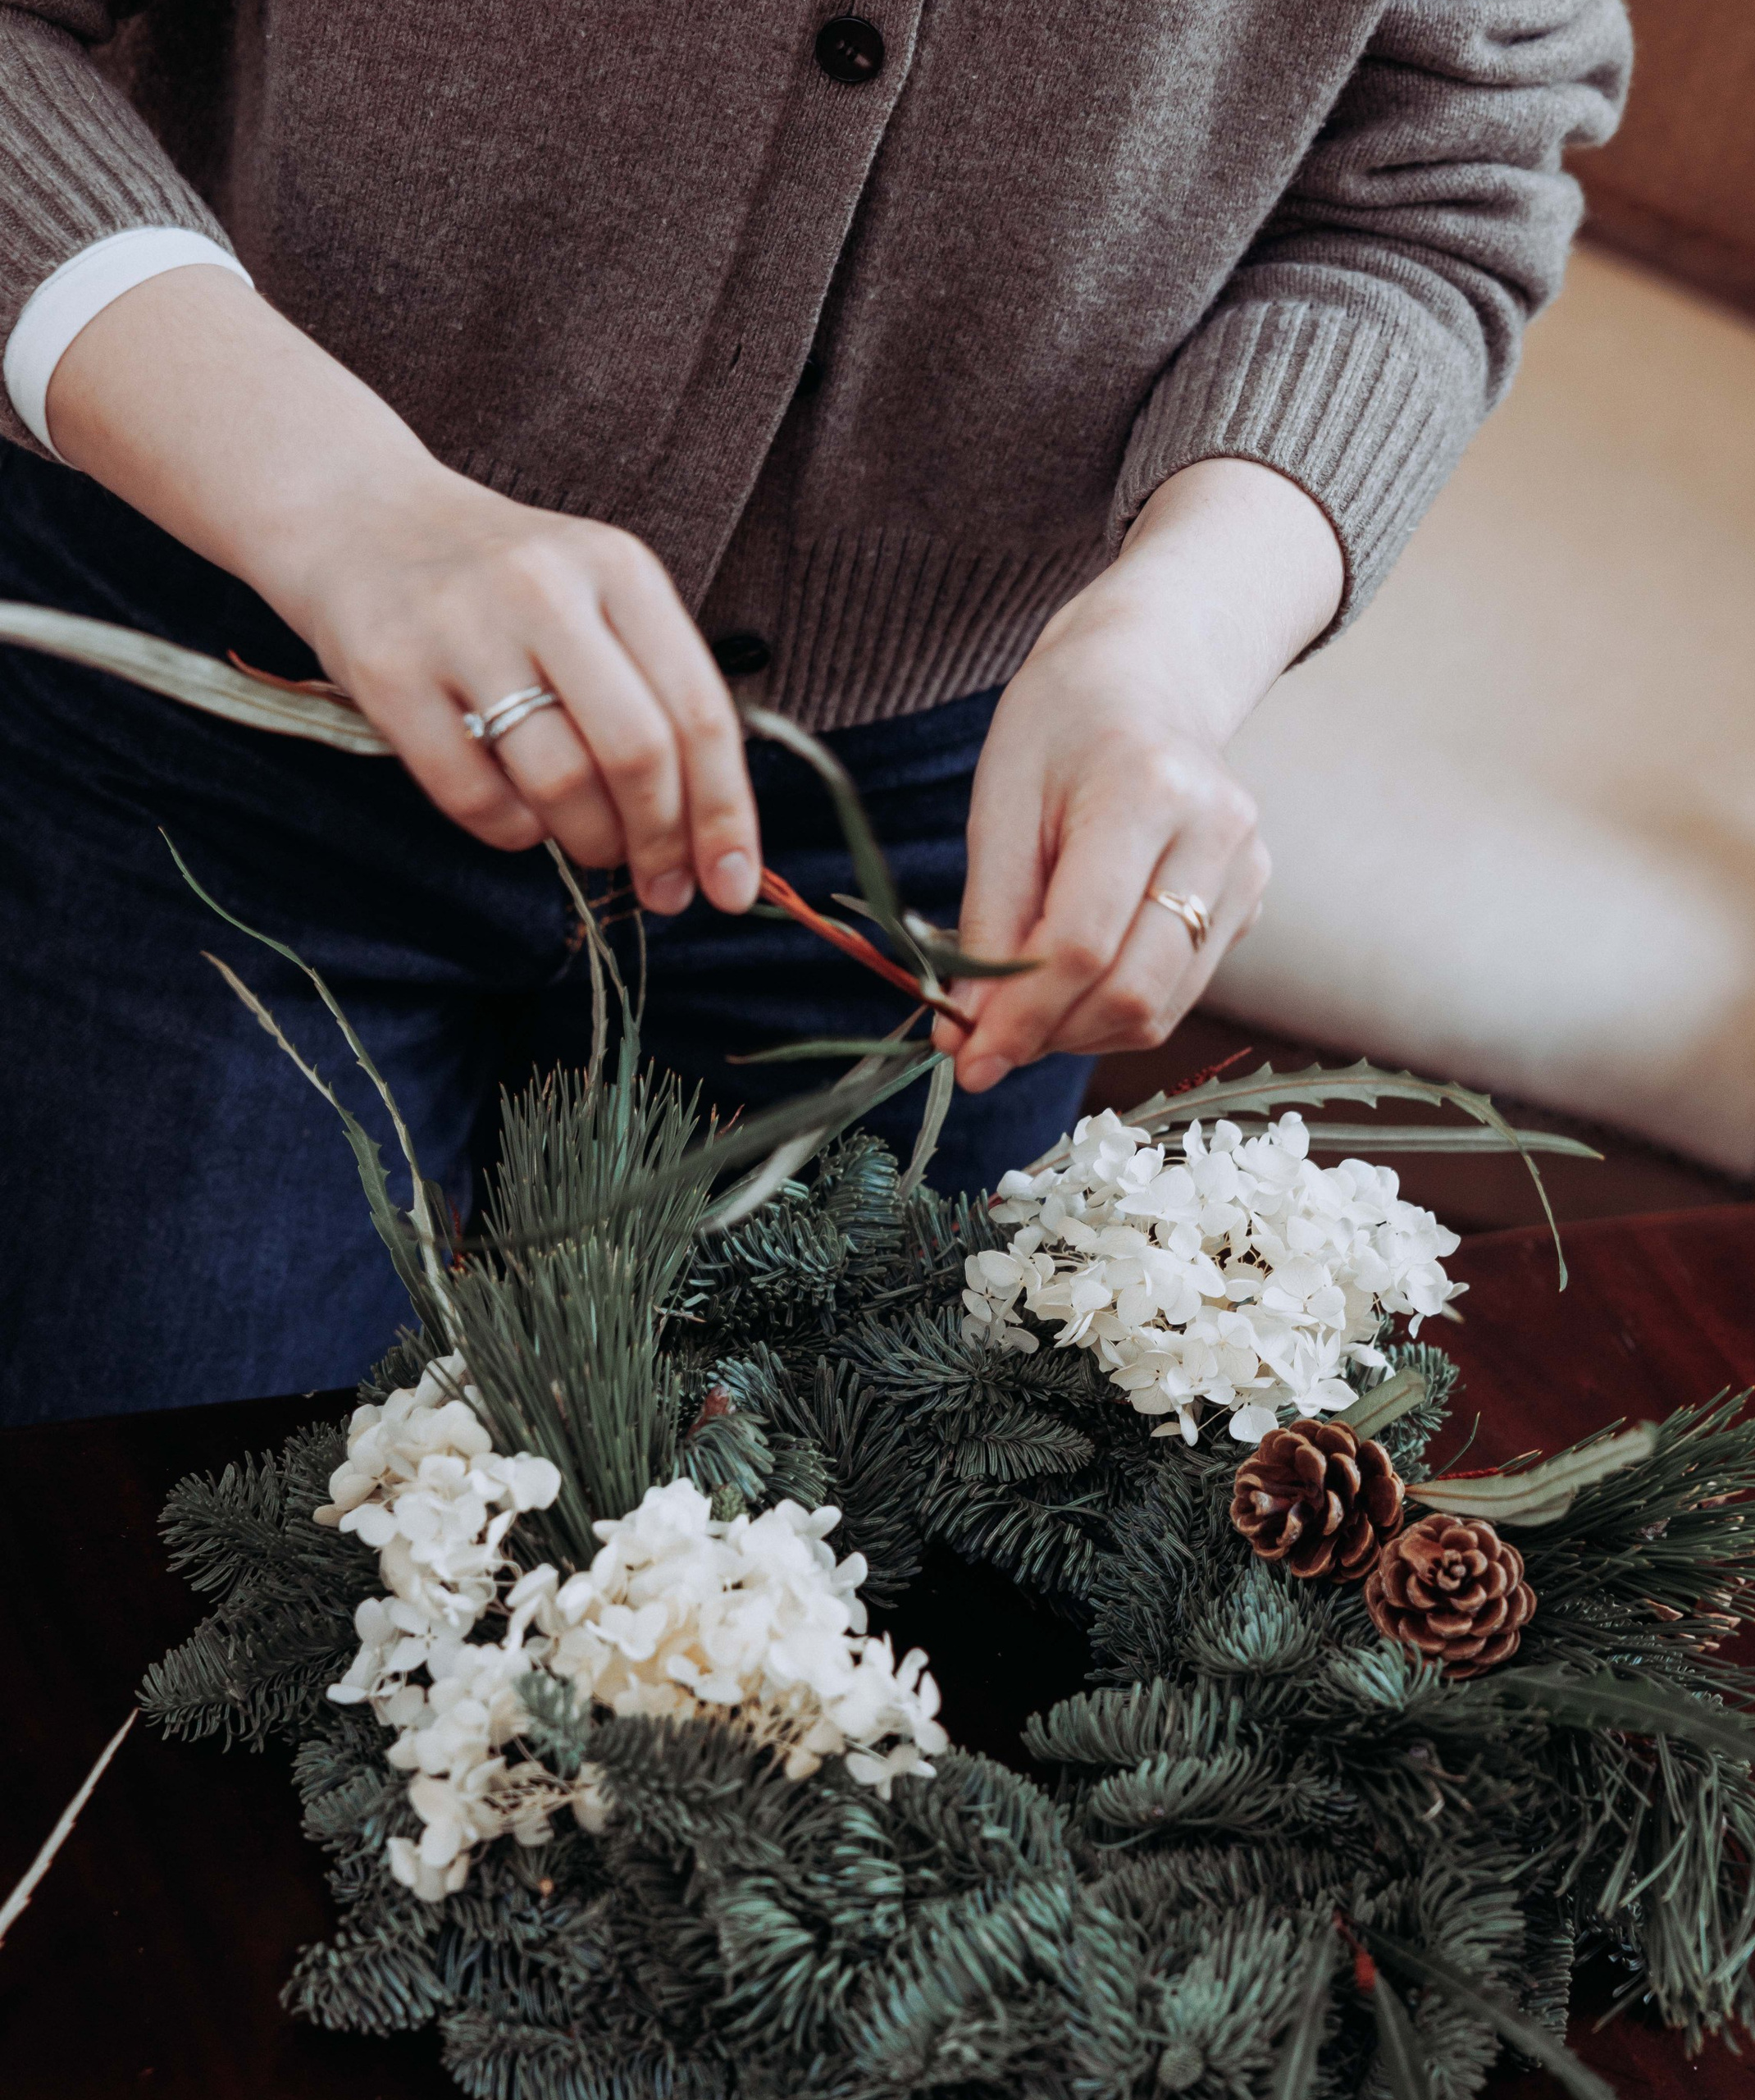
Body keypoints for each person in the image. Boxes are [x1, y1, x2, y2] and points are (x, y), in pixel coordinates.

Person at [0, 1, 1629, 1422]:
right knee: (141, 1618)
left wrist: (1170, 637)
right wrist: (339, 502)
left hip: (943, 824)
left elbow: (1442, 169)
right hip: (209, 712)